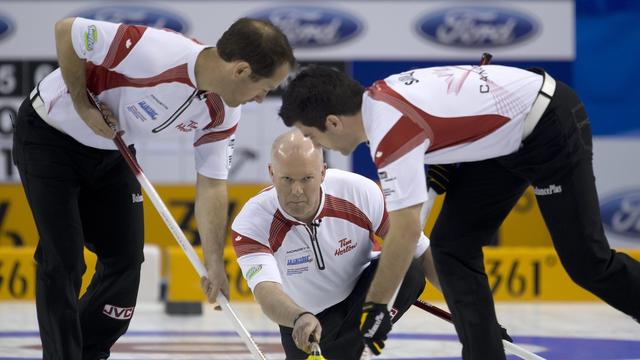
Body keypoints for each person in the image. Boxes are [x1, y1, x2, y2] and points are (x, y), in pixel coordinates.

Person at [278, 65, 640, 359]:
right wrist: (448, 153)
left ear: (334, 122)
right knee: (452, 248)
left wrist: (375, 306)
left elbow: (404, 232)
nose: (314, 145)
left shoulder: (389, 132)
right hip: (505, 138)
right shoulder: (380, 95)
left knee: (588, 263)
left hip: (547, 124)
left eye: (311, 135)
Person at [11, 16, 294, 359]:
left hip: (112, 150)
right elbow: (67, 30)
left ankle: (87, 351)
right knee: (64, 260)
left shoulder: (223, 110)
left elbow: (212, 184)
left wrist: (214, 263)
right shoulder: (155, 51)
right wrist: (83, 105)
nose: (262, 99)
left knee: (126, 259)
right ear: (240, 70)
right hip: (48, 136)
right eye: (264, 88)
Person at [231, 130, 439, 359]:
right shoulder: (251, 222)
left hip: (365, 299)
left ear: (322, 173)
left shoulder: (361, 193)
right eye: (287, 179)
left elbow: (419, 250)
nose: (297, 191)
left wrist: (462, 304)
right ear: (271, 173)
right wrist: (298, 317)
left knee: (408, 268)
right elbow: (266, 291)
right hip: (305, 323)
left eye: (307, 179)